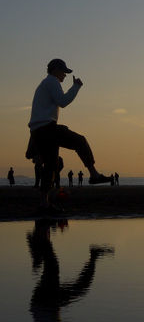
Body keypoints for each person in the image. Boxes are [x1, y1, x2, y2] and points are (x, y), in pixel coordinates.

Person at [28, 59, 112, 212]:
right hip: (46, 128)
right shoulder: (52, 82)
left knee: (51, 165)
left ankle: (44, 203)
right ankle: (94, 174)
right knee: (80, 141)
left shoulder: (44, 84)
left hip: (38, 130)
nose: (65, 76)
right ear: (55, 70)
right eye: (64, 72)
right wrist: (76, 87)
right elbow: (63, 101)